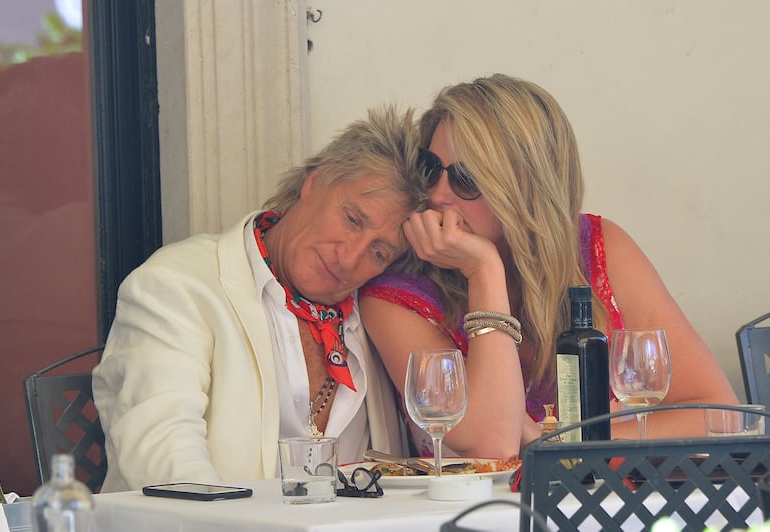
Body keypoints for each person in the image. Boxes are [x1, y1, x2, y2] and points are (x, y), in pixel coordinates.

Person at [358, 74, 739, 460]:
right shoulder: (394, 295)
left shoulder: (599, 247)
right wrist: (484, 271)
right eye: (430, 168)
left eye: (466, 178)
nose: (437, 195)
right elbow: (492, 444)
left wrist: (555, 438)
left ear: (527, 187)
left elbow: (718, 414)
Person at [92, 106, 425, 492]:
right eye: (352, 219)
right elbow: (167, 467)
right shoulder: (175, 285)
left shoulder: (376, 319)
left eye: (379, 253)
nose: (349, 257)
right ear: (314, 182)